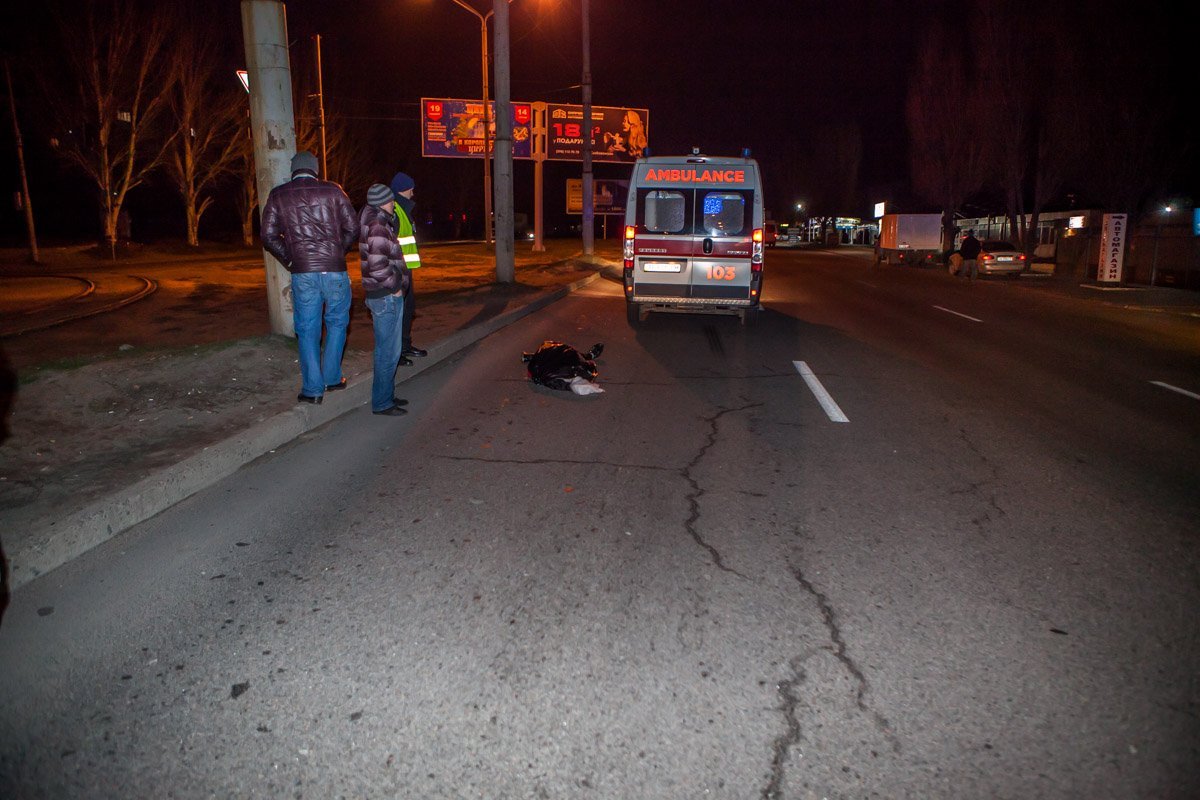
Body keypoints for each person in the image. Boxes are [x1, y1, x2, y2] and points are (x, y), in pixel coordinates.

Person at [261, 151, 359, 404]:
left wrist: (291, 259)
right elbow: (353, 227)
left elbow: (268, 236)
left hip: (303, 272)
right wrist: (338, 251)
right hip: (334, 269)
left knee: (307, 330)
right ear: (315, 169)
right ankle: (332, 379)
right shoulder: (334, 191)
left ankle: (313, 389)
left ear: (294, 170)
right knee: (337, 323)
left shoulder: (278, 194)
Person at [358, 183, 411, 416]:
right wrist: (395, 287)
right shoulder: (379, 225)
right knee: (388, 352)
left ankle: (386, 395)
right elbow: (378, 267)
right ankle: (382, 402)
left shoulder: (375, 220)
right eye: (392, 200)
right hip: (386, 296)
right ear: (384, 202)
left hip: (381, 295)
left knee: (388, 350)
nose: (394, 204)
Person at [389, 172, 426, 365]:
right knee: (397, 312)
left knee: (408, 308)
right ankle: (397, 353)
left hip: (405, 269)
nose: (413, 191)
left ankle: (405, 345)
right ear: (405, 188)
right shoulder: (395, 209)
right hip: (397, 270)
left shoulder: (404, 209)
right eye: (411, 187)